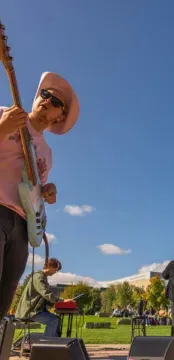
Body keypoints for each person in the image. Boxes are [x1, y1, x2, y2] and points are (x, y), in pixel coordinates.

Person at [0, 72, 79, 319]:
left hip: (23, 227)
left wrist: (48, 191)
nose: (48, 101)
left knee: (4, 297)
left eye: (56, 102)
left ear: (60, 116)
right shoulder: (4, 114)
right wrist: (3, 128)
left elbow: (33, 190)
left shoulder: (47, 151)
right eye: (45, 94)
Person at [15, 258, 72, 337]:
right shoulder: (39, 277)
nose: (55, 272)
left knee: (57, 319)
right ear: (49, 266)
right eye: (55, 270)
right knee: (54, 321)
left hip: (35, 310)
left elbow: (44, 297)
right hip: (30, 311)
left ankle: (53, 343)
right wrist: (62, 300)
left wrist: (57, 303)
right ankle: (47, 344)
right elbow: (45, 293)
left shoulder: (42, 277)